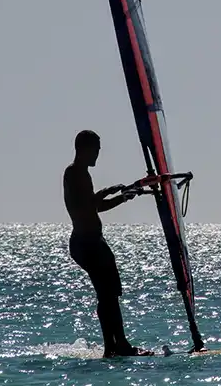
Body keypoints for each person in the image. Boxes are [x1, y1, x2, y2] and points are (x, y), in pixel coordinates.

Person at [63, 129, 154, 357]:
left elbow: (93, 204)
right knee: (107, 293)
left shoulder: (82, 173)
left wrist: (115, 194)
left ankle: (114, 346)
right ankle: (116, 346)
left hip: (92, 242)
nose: (98, 155)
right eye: (96, 150)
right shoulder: (74, 173)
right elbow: (88, 206)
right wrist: (115, 194)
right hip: (86, 243)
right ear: (84, 149)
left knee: (109, 293)